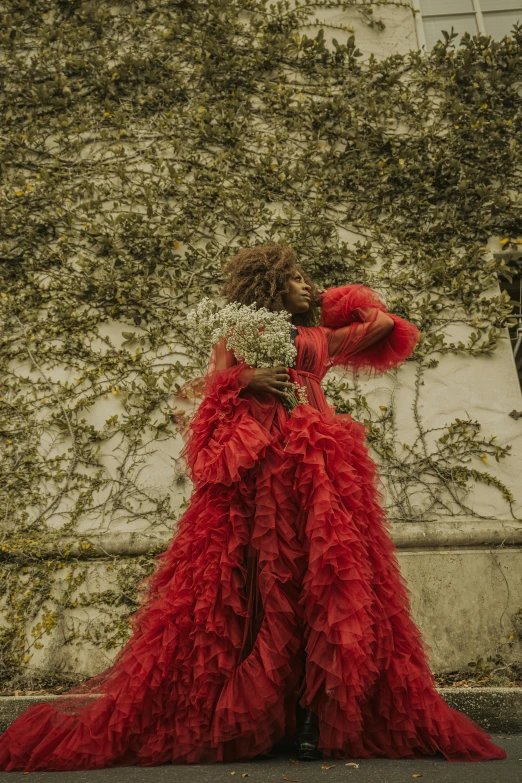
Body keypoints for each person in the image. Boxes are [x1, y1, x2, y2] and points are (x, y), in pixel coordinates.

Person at [0, 243, 506, 771]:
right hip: (259, 468)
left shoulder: (318, 338)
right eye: (295, 279)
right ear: (268, 288)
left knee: (324, 582)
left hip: (317, 468)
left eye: (308, 279)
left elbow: (381, 324)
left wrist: (330, 300)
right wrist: (246, 378)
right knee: (260, 582)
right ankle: (253, 715)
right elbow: (208, 385)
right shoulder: (240, 335)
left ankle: (314, 716)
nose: (306, 285)